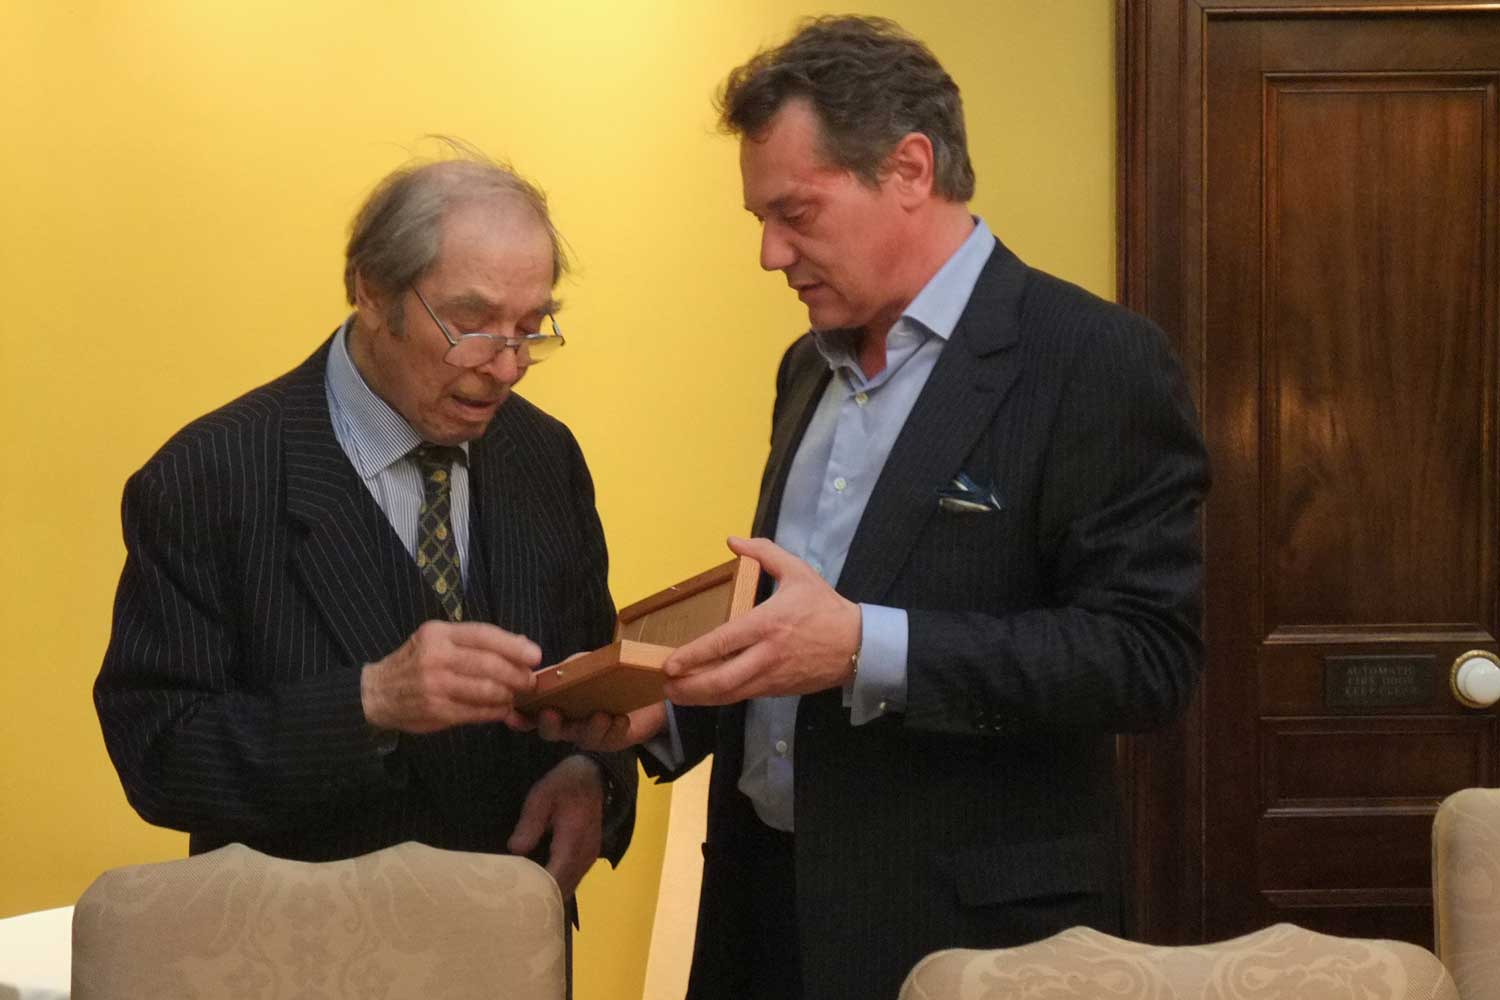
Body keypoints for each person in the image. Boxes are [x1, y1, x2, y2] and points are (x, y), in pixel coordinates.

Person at [534, 16, 1210, 999]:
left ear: (909, 169)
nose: (770, 253)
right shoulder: (806, 368)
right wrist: (667, 710)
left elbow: (1146, 659)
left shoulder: (1095, 360)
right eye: (760, 218)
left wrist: (867, 647)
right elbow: (792, 632)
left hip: (962, 938)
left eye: (795, 213)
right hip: (759, 920)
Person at [94, 150, 636, 909]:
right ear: (372, 292)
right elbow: (158, 756)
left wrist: (592, 775)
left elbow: (587, 675)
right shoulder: (208, 477)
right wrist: (369, 702)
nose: (507, 367)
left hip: (513, 940)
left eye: (529, 328)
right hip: (300, 946)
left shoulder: (546, 455)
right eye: (472, 324)